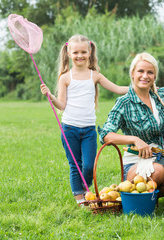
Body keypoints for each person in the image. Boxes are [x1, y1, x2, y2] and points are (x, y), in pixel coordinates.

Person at [40, 34, 129, 204]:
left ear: (89, 52)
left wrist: (138, 87)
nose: (79, 55)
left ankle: (85, 188)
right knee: (75, 165)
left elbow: (117, 89)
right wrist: (50, 96)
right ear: (69, 53)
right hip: (69, 128)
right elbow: (62, 105)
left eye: (83, 52)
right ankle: (80, 198)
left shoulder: (94, 75)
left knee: (88, 166)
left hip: (88, 130)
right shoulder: (65, 77)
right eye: (75, 52)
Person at [98, 52, 164, 197]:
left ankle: (146, 194)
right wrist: (135, 139)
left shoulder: (160, 95)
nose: (145, 76)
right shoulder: (124, 102)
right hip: (136, 162)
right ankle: (135, 197)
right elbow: (105, 135)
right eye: (140, 71)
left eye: (150, 72)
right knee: (158, 171)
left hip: (161, 158)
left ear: (155, 76)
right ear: (132, 74)